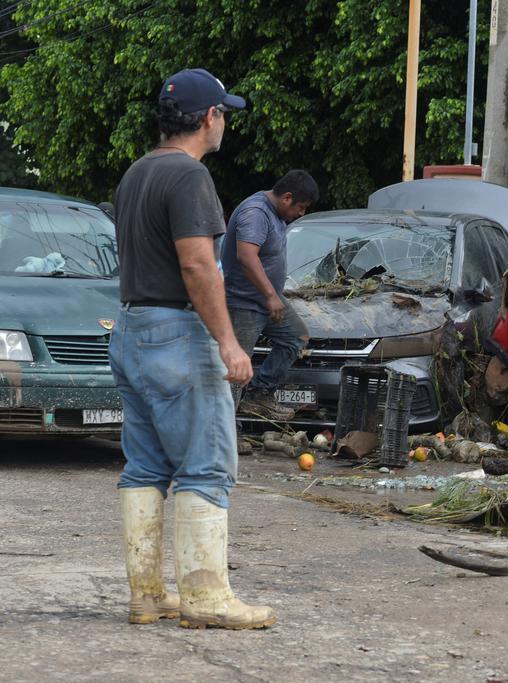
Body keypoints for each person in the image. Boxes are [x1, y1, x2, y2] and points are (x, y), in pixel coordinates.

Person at [110, 68, 275, 629]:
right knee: (207, 465)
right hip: (177, 335)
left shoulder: (137, 173)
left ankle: (148, 594)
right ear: (209, 118)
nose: (225, 122)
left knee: (146, 467)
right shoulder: (189, 177)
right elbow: (197, 263)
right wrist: (229, 343)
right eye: (224, 113)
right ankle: (206, 599)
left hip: (132, 330)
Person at [221, 170, 318, 422]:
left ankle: (258, 395)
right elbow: (246, 256)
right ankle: (225, 436)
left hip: (266, 300)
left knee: (295, 337)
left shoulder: (275, 214)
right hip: (244, 303)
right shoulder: (256, 213)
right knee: (236, 370)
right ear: (287, 198)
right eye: (301, 207)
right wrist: (270, 295)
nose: (301, 214)